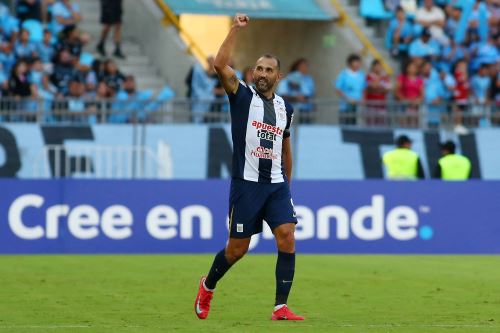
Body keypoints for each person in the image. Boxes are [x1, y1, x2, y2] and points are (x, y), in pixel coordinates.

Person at [194, 13, 304, 321]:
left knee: (287, 235)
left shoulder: (286, 108)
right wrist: (234, 29)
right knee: (237, 250)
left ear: (278, 76)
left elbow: (285, 146)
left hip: (277, 185)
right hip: (246, 185)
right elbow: (219, 64)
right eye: (258, 68)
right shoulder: (241, 96)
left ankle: (280, 307)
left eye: (269, 69)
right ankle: (208, 284)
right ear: (252, 71)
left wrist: (288, 185)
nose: (262, 73)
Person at [334, 53, 366, 125]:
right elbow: (337, 89)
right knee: (345, 127)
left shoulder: (361, 74)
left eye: (359, 62)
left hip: (357, 107)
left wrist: (363, 99)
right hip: (345, 107)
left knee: (354, 127)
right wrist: (348, 99)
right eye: (356, 62)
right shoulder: (343, 74)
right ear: (350, 63)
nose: (358, 64)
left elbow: (364, 88)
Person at [365, 59, 391, 126]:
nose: (378, 68)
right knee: (370, 124)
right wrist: (379, 80)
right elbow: (372, 86)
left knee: (381, 124)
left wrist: (377, 89)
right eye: (376, 66)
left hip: (381, 105)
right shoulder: (368, 76)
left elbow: (387, 89)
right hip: (371, 105)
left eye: (380, 66)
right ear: (373, 67)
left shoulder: (385, 77)